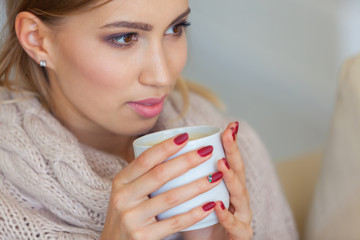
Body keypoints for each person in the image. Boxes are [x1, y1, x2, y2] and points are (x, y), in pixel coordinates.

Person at [0, 0, 298, 239]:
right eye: (124, 37)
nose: (162, 76)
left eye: (175, 28)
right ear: (37, 39)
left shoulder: (234, 154)